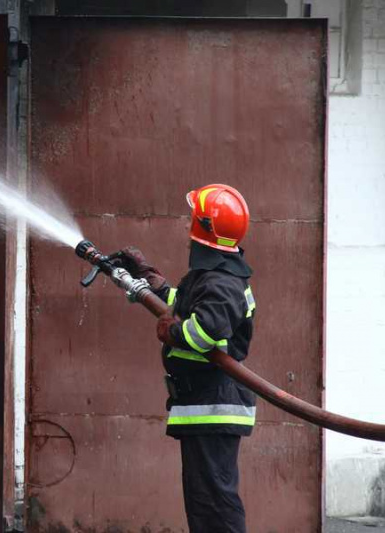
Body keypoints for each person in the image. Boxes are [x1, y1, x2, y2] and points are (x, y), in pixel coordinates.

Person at [119, 184, 257, 533]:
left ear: (203, 228)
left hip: (214, 406)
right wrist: (153, 282)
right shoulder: (215, 276)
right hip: (202, 405)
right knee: (203, 504)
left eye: (192, 219)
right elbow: (190, 303)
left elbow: (205, 330)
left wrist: (172, 332)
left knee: (216, 505)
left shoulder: (223, 282)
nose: (186, 225)